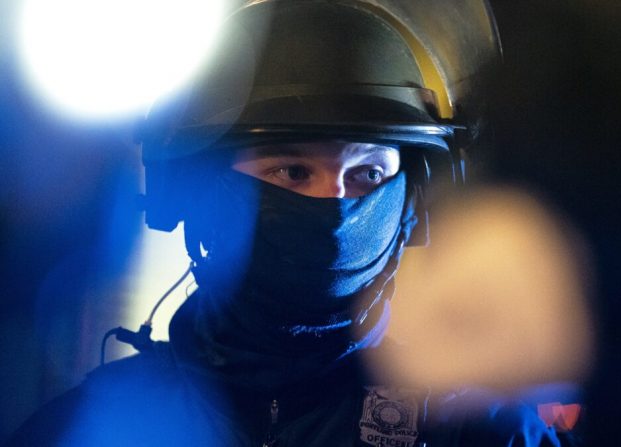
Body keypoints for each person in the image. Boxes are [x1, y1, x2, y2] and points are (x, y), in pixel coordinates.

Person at [7, 1, 577, 445]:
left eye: (368, 174)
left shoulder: (479, 429)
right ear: (200, 190)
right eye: (293, 170)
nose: (334, 205)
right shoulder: (89, 430)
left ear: (414, 202)